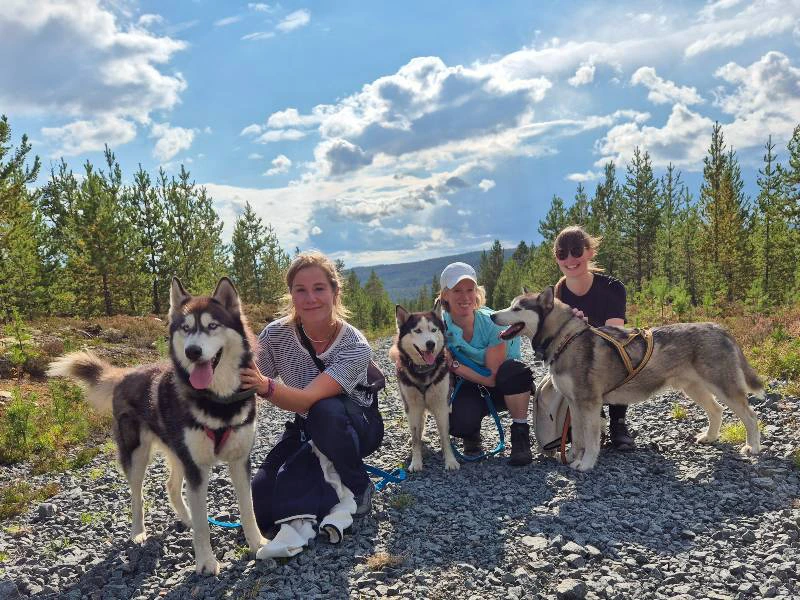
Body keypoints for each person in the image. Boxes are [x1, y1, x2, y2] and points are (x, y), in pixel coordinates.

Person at [240, 251, 383, 557]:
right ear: (290, 294)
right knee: (262, 505)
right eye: (300, 290)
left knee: (324, 410)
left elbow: (304, 399)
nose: (310, 298)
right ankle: (326, 496)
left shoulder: (354, 344)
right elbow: (243, 382)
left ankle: (358, 484)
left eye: (319, 288)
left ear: (335, 292)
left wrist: (264, 386)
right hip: (306, 426)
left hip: (355, 426)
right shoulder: (276, 335)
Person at [438, 262, 535, 466]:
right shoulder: (438, 325)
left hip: (504, 383)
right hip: (468, 384)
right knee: (458, 424)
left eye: (470, 290)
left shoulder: (492, 323)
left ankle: (520, 435)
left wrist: (454, 366)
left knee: (515, 371)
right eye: (457, 291)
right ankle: (471, 432)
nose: (465, 297)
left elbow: (492, 378)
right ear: (445, 295)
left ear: (477, 292)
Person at [552, 225, 635, 450]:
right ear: (557, 258)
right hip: (574, 365)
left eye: (576, 251)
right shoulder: (555, 297)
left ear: (590, 252)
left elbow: (615, 336)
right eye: (562, 253)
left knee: (617, 356)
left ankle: (618, 422)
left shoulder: (612, 288)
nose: (570, 258)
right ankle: (592, 419)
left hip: (607, 356)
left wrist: (583, 328)